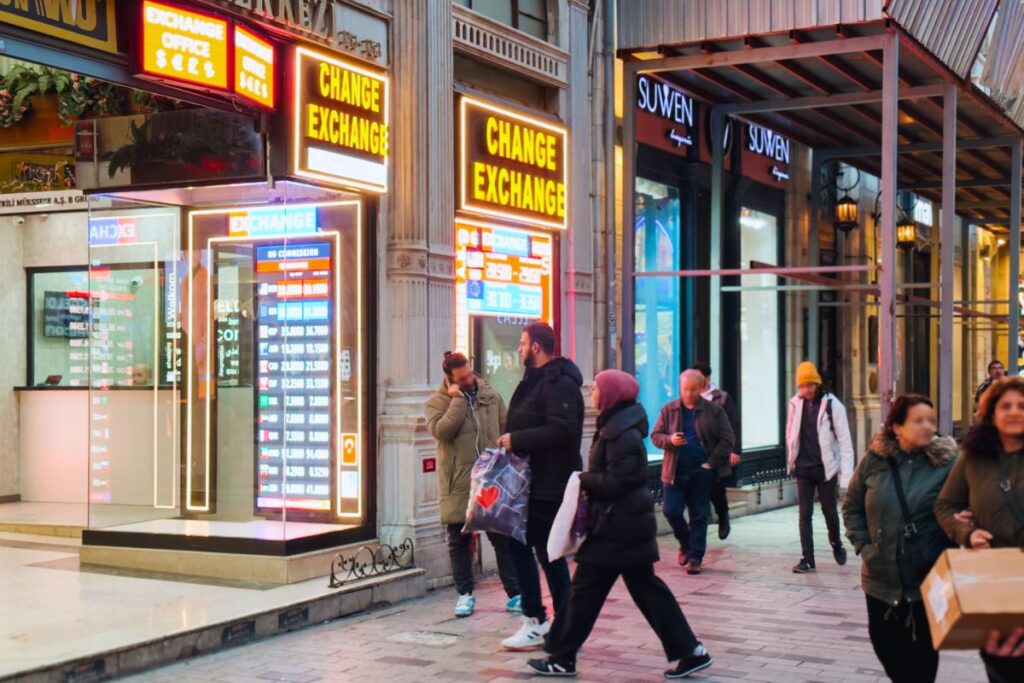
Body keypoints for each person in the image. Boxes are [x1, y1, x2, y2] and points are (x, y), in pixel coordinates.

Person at [526, 370, 712, 679]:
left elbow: (624, 478)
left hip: (618, 529)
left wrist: (584, 479)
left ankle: (562, 657)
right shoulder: (617, 425)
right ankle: (692, 651)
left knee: (585, 591)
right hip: (622, 526)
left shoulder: (621, 432)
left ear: (611, 393)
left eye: (597, 389)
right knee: (645, 591)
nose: (593, 395)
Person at [842, 395, 957, 683]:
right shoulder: (874, 460)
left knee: (921, 667)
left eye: (931, 420)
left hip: (925, 583)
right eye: (918, 421)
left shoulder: (947, 464)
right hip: (880, 582)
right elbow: (852, 505)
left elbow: (966, 506)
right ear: (896, 426)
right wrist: (865, 548)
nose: (928, 427)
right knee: (887, 649)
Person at [497, 322, 584, 650]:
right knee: (530, 548)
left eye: (522, 343)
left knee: (546, 552)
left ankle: (548, 622)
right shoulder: (535, 380)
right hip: (530, 482)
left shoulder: (559, 383)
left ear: (536, 347)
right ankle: (545, 621)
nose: (518, 349)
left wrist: (516, 439)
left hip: (549, 484)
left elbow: (563, 431)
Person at [936, 376, 1024, 683]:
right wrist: (967, 533)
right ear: (991, 413)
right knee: (1001, 668)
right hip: (994, 585)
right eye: (1006, 406)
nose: (1014, 412)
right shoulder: (973, 459)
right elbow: (945, 505)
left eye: (1022, 406)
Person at [425, 352, 521, 618]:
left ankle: (514, 594)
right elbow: (441, 432)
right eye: (462, 378)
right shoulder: (437, 402)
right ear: (450, 380)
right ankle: (465, 594)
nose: (469, 380)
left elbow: (505, 425)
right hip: (459, 480)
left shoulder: (490, 396)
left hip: (490, 477)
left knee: (500, 537)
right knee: (459, 538)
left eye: (470, 374)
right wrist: (457, 401)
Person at [651, 369, 734, 575]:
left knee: (699, 515)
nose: (688, 394)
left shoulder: (714, 411)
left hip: (701, 472)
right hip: (674, 470)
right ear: (680, 388)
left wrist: (711, 462)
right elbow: (655, 435)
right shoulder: (669, 410)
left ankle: (695, 557)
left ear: (701, 388)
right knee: (671, 510)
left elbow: (727, 438)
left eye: (693, 390)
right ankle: (686, 543)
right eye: (685, 390)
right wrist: (670, 440)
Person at [785, 361, 854, 573]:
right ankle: (807, 559)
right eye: (802, 385)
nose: (805, 389)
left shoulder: (834, 405)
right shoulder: (795, 404)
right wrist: (791, 459)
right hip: (804, 467)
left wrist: (846, 479)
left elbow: (845, 442)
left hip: (826, 468)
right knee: (804, 514)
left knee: (829, 511)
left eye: (809, 385)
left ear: (816, 384)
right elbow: (790, 433)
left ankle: (836, 543)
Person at [691, 363, 741, 540]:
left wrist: (734, 450)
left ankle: (723, 515)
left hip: (716, 452)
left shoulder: (722, 398)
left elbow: (733, 424)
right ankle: (697, 530)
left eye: (698, 376)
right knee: (696, 494)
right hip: (695, 453)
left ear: (707, 377)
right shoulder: (690, 397)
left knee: (716, 490)